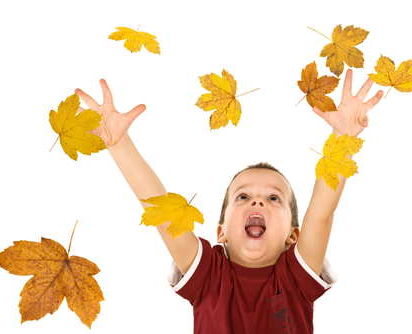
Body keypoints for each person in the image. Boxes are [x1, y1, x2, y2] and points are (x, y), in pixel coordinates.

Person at [75, 69, 383, 333]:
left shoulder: (296, 278)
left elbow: (321, 215)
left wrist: (344, 139)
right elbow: (162, 211)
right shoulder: (209, 275)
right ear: (220, 232)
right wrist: (119, 144)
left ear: (294, 236)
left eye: (274, 198)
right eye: (244, 196)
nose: (258, 203)